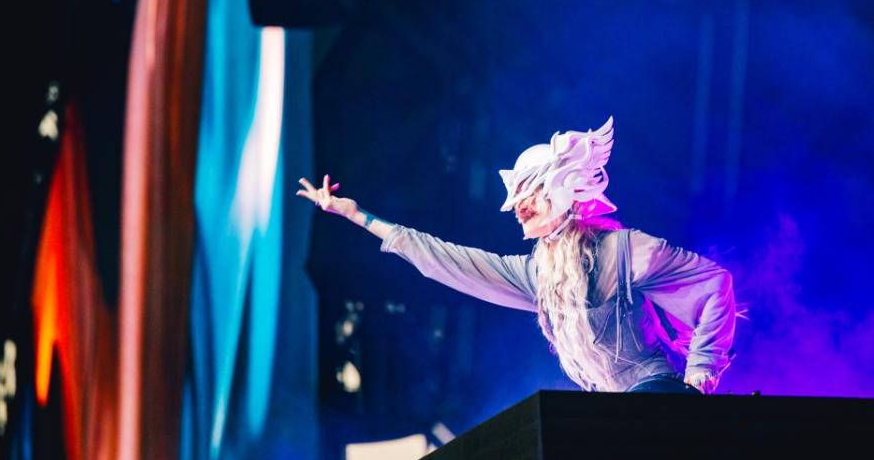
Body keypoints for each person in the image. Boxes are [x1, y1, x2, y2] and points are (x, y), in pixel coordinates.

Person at [296, 117, 736, 394]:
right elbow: (446, 259)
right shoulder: (538, 275)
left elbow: (715, 285)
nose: (520, 208)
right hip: (614, 411)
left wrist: (700, 375)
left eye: (532, 194)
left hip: (655, 390)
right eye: (517, 199)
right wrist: (360, 217)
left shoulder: (624, 251)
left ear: (562, 190)